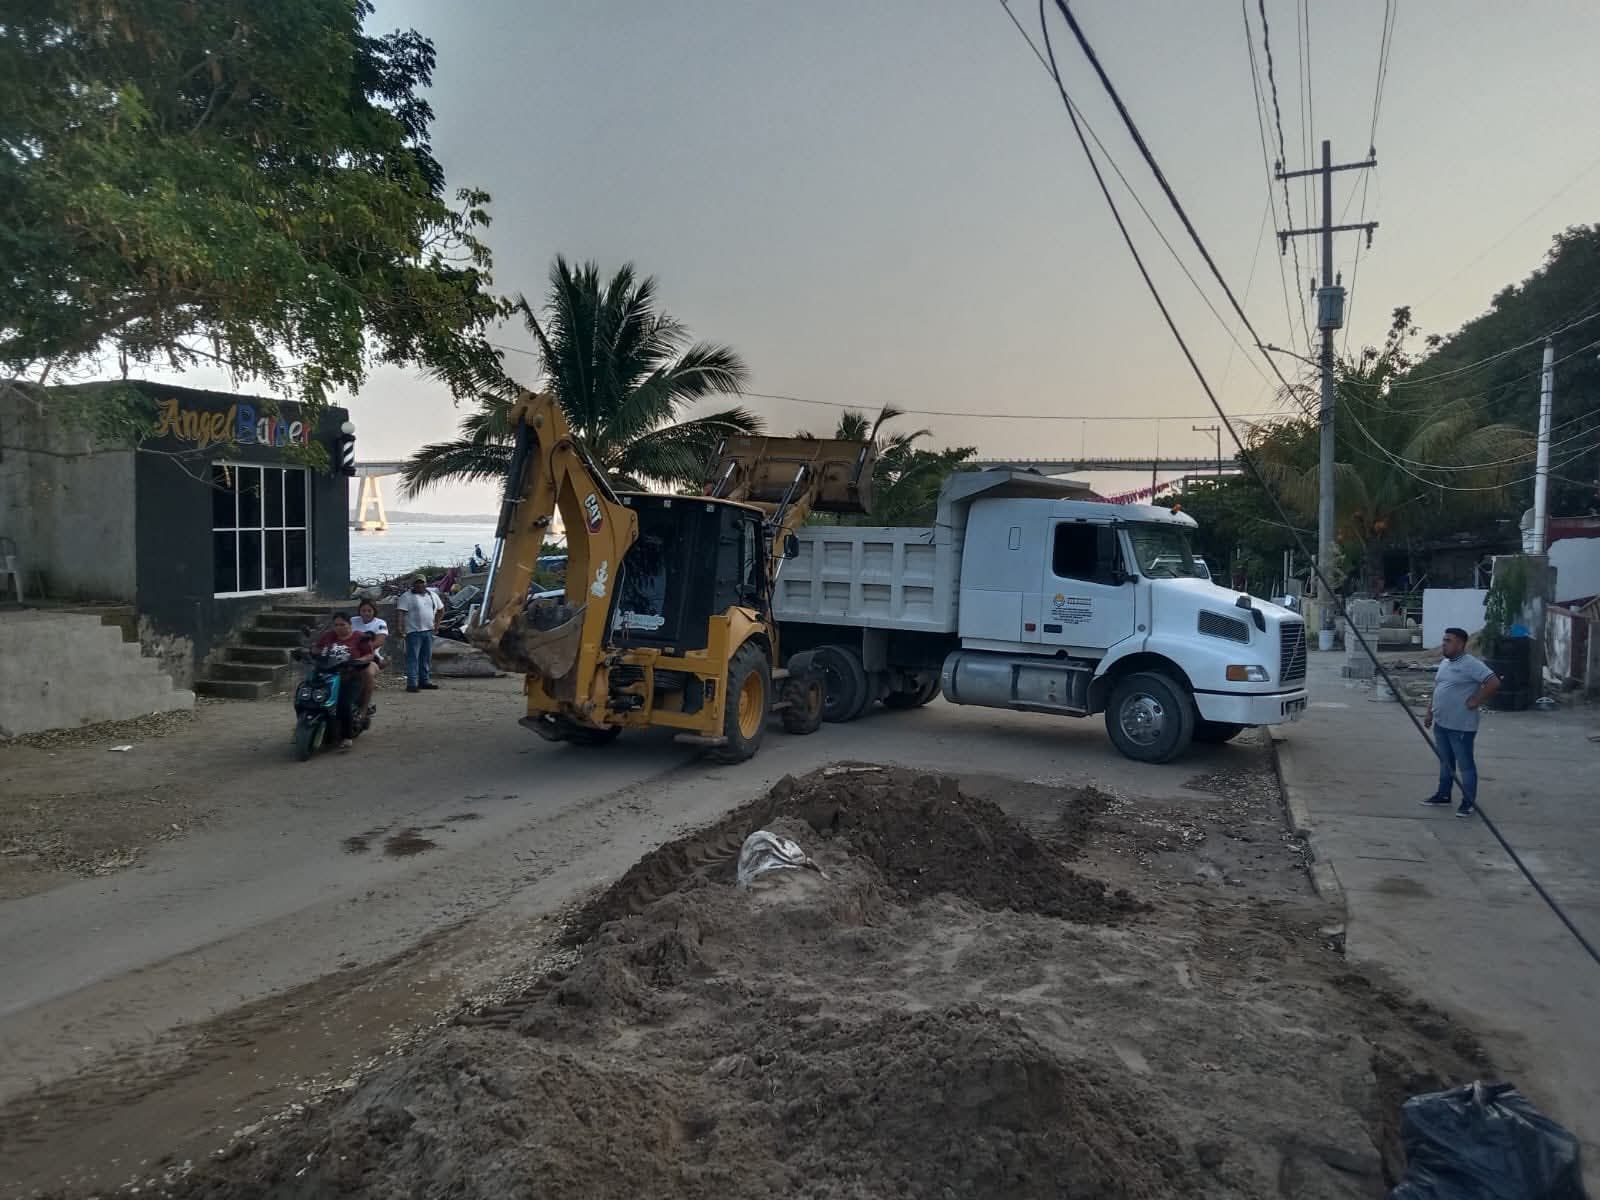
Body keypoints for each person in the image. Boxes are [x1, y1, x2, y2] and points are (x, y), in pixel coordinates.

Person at [1421, 626, 1501, 818]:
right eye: (1444, 640)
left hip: (1461, 726)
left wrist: (1476, 700)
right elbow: (1438, 687)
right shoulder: (1445, 663)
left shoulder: (1471, 664)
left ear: (1460, 644)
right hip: (1442, 723)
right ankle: (1443, 794)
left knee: (1465, 765)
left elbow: (1493, 682)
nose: (1444, 644)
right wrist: (1429, 711)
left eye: (1448, 641)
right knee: (1445, 762)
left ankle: (1468, 802)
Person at [313, 612, 377, 748]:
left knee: (343, 704)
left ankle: (347, 736)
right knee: (310, 698)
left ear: (350, 625)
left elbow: (369, 655)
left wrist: (357, 661)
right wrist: (311, 652)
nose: (339, 628)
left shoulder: (359, 637)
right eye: (336, 625)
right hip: (326, 675)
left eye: (342, 624)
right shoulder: (328, 636)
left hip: (350, 677)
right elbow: (317, 648)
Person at [394, 573, 444, 693]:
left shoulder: (432, 595)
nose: (419, 585)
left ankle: (424, 681)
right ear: (413, 584)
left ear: (425, 583)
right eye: (417, 582)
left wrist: (437, 624)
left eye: (421, 582)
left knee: (426, 657)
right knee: (413, 658)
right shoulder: (406, 597)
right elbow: (401, 613)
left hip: (428, 630)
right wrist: (400, 627)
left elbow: (441, 610)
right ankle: (411, 683)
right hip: (413, 631)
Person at [351, 598, 388, 668]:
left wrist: (361, 650)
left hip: (371, 653)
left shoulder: (380, 623)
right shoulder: (352, 621)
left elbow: (380, 642)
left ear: (374, 611)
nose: (366, 613)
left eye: (369, 611)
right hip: (351, 652)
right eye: (363, 611)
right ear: (359, 611)